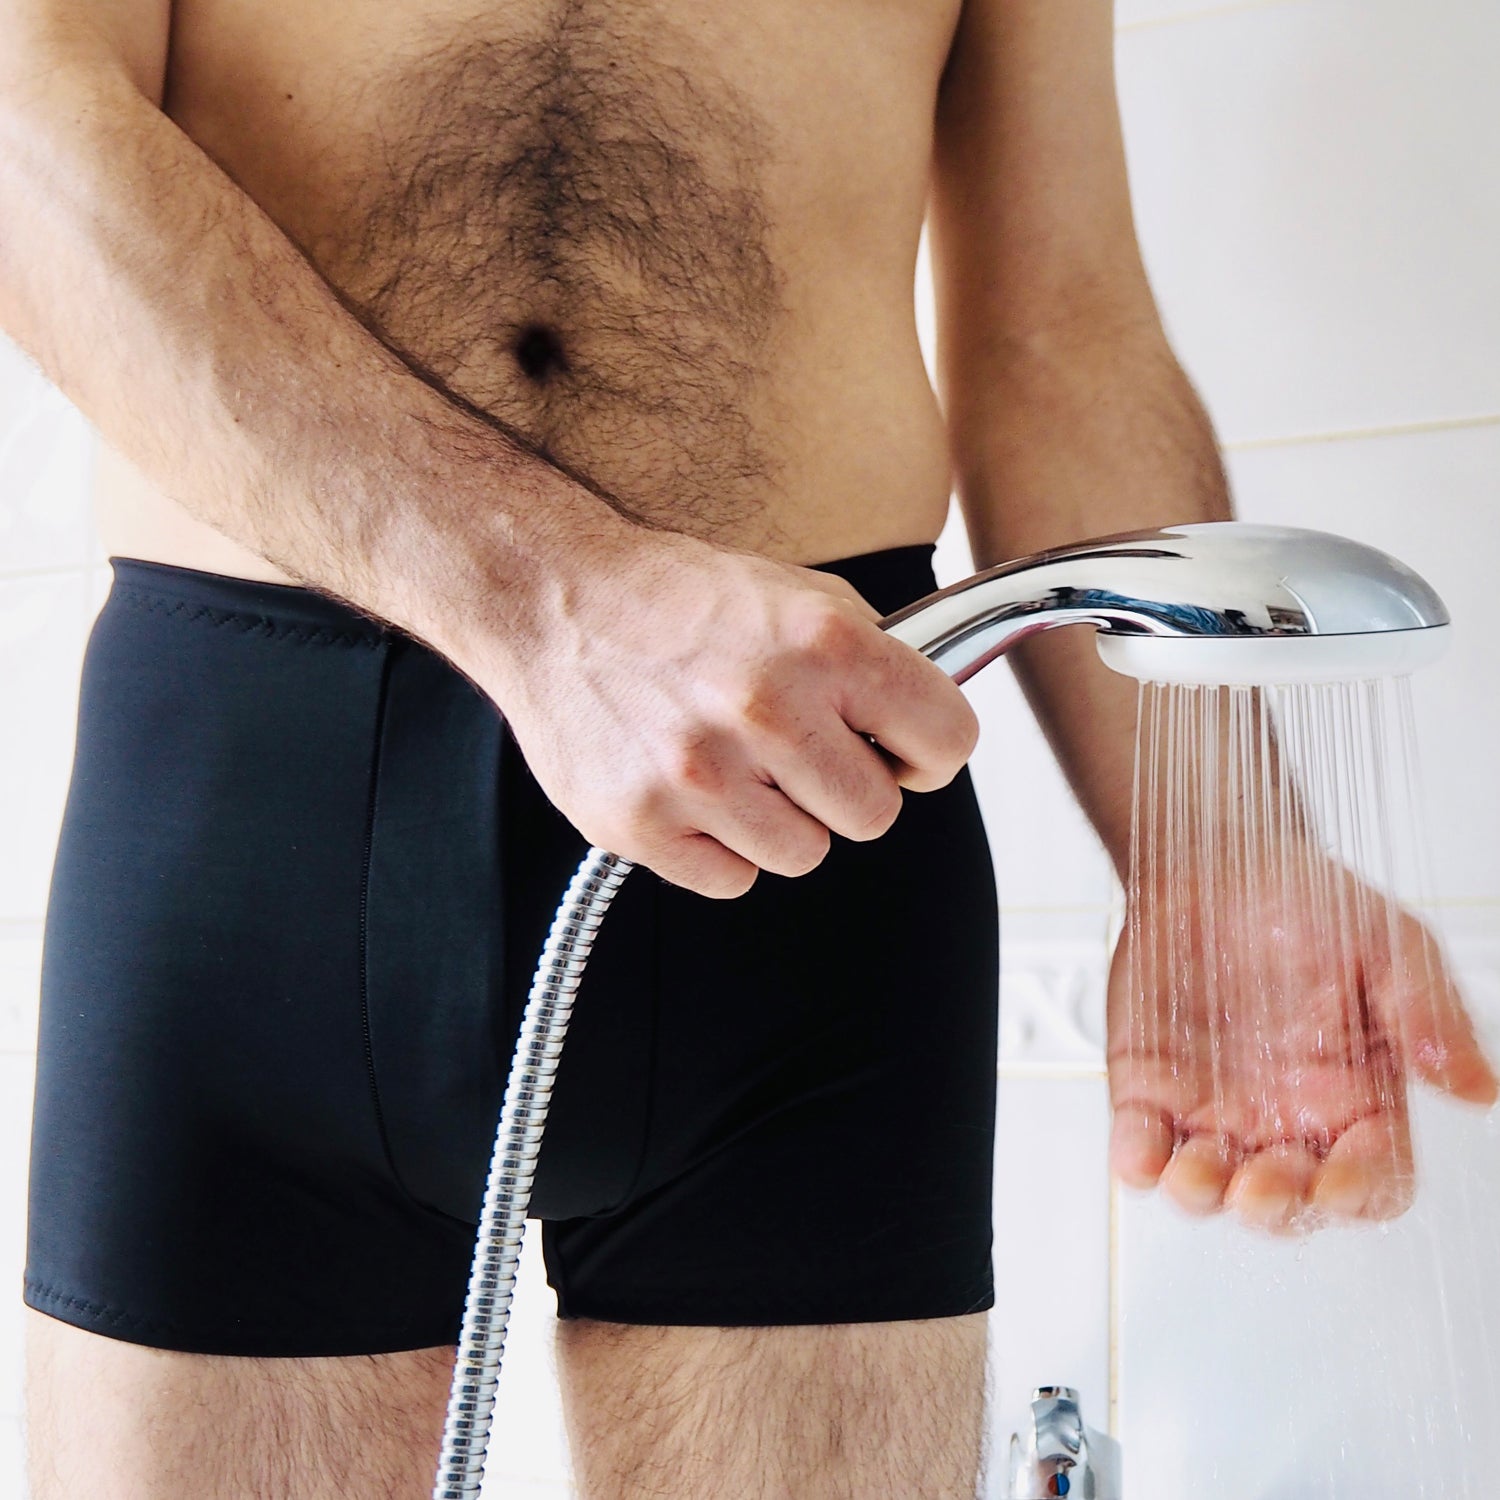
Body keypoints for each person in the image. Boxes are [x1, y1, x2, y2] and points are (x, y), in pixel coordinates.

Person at [2, 1, 1494, 1496]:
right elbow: (24, 130)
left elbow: (1062, 332)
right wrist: (544, 595)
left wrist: (1218, 844)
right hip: (265, 803)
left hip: (815, 815)